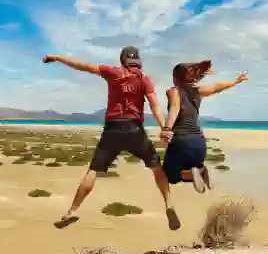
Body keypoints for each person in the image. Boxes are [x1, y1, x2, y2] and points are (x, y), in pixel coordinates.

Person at [42, 46, 181, 230]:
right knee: (156, 167)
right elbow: (154, 105)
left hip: (113, 130)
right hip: (135, 130)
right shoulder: (144, 79)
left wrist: (58, 57)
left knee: (93, 171)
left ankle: (73, 211)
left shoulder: (112, 72)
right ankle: (169, 204)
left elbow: (82, 66)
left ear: (122, 60)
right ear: (137, 61)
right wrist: (164, 127)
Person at [160, 61, 248, 193]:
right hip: (199, 143)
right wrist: (236, 81)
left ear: (175, 78)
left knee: (169, 175)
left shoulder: (173, 91)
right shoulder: (197, 91)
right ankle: (201, 170)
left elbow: (175, 107)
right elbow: (215, 87)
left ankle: (193, 173)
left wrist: (167, 129)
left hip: (181, 141)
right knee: (190, 165)